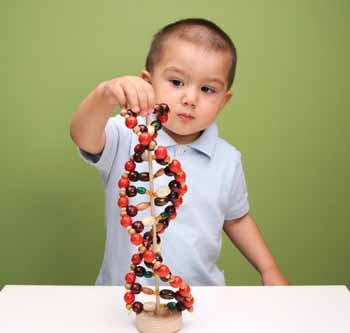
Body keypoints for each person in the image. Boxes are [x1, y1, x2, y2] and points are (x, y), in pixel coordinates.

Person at [70, 18, 289, 287]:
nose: (190, 98)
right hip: (125, 296)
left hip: (202, 298)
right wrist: (103, 95)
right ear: (147, 83)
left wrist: (269, 268)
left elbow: (237, 219)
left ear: (223, 101)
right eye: (176, 82)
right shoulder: (128, 136)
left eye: (207, 89)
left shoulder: (227, 160)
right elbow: (82, 135)